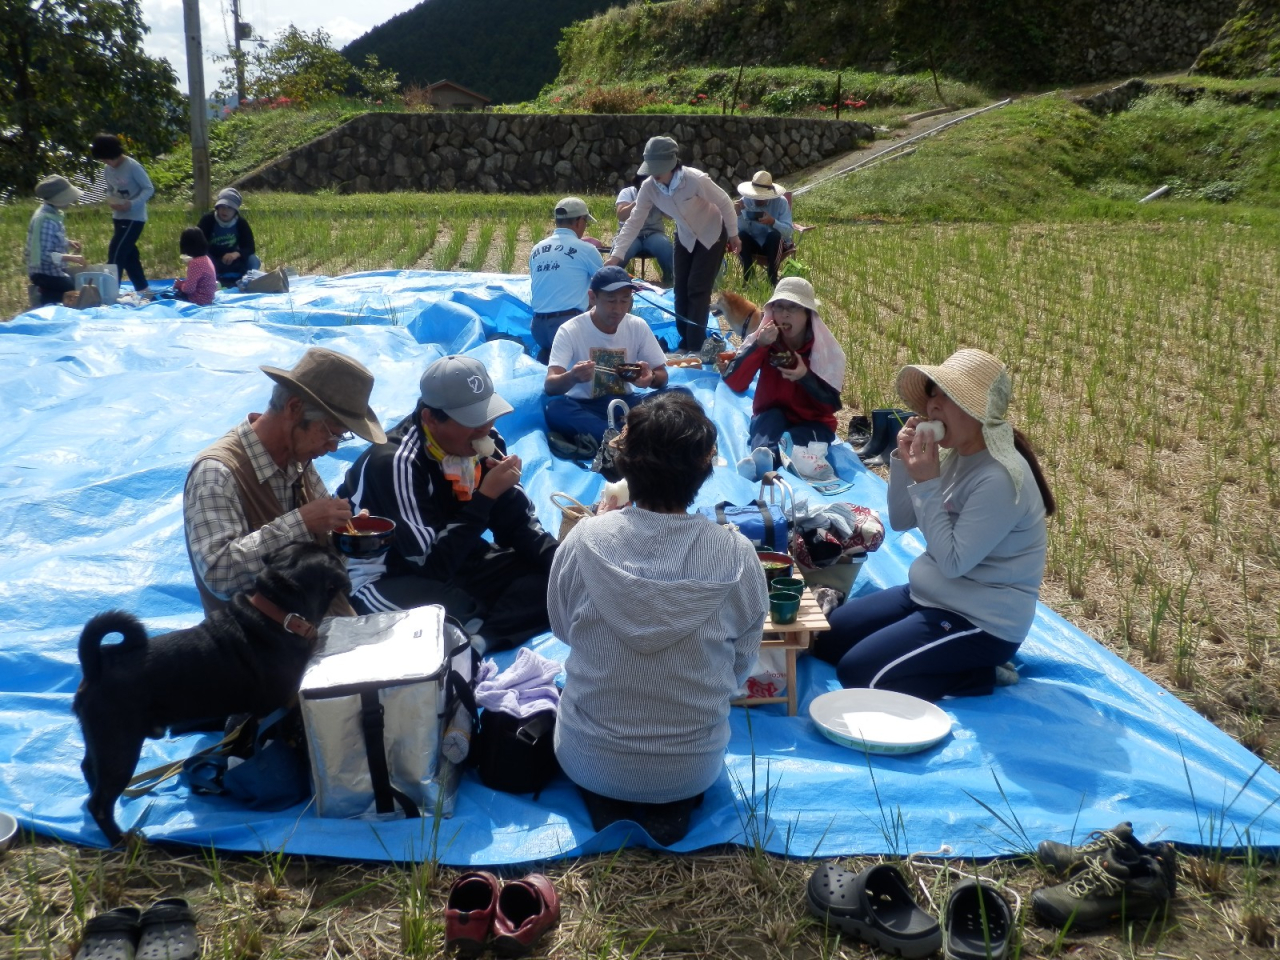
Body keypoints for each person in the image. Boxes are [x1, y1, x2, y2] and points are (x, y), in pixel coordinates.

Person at [551, 391, 767, 844]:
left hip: (589, 755)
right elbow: (743, 660)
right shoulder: (736, 553)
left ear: (624, 464)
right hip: (691, 766)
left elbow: (562, 628)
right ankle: (669, 801)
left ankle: (608, 792)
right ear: (705, 468)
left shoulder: (584, 539)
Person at [812, 348, 1056, 700]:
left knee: (861, 674)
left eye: (949, 396)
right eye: (933, 394)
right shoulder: (954, 453)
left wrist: (927, 483)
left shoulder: (1000, 477)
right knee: (826, 638)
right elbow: (902, 519)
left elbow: (955, 563)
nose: (934, 406)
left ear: (979, 412)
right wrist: (902, 460)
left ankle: (979, 673)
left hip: (979, 620)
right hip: (927, 595)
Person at [337, 355, 558, 653]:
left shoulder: (486, 439)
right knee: (445, 617)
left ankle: (481, 639)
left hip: (457, 556)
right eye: (472, 421)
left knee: (555, 583)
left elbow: (518, 527)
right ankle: (477, 631)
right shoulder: (395, 463)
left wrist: (567, 564)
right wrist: (485, 498)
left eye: (488, 415)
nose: (485, 428)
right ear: (431, 418)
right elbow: (427, 565)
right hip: (388, 573)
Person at [184, 347, 385, 617]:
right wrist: (301, 523)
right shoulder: (217, 472)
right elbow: (219, 575)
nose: (334, 448)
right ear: (293, 407)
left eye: (340, 438)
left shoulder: (299, 460)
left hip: (321, 624)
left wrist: (343, 534)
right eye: (331, 434)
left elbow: (323, 556)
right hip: (260, 646)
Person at [604, 136, 740, 353]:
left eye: (658, 168)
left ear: (672, 164)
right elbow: (634, 221)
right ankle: (685, 341)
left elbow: (724, 202)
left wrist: (734, 235)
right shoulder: (649, 187)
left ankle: (694, 345)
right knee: (680, 288)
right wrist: (616, 255)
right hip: (685, 235)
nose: (654, 175)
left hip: (711, 234)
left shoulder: (695, 180)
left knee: (697, 288)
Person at [721, 277, 844, 474]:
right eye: (779, 307)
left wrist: (805, 377)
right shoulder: (766, 341)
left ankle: (768, 462)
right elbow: (736, 383)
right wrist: (758, 347)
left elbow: (832, 405)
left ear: (807, 314)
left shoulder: (823, 350)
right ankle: (765, 459)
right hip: (771, 415)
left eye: (793, 307)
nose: (785, 314)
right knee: (767, 424)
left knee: (797, 439)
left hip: (811, 422)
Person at [544, 266, 671, 450]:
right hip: (586, 406)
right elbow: (550, 385)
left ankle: (619, 437)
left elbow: (662, 376)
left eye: (625, 300)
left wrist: (650, 377)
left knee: (681, 395)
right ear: (592, 297)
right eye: (611, 301)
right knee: (555, 410)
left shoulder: (637, 326)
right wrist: (572, 377)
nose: (618, 309)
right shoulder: (570, 330)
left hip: (628, 405)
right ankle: (629, 438)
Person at [528, 197, 605, 364]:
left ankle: (547, 361)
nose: (585, 227)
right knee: (616, 298)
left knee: (553, 355)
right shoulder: (586, 249)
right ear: (578, 222)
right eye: (585, 222)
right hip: (566, 326)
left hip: (537, 328)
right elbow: (606, 284)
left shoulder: (537, 249)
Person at [90, 133, 156, 299]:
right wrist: (110, 199)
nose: (105, 163)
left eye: (106, 159)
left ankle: (109, 293)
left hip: (134, 217)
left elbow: (149, 188)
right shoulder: (107, 169)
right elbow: (109, 188)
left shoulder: (132, 166)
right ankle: (144, 290)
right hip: (118, 216)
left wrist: (132, 204)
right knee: (129, 255)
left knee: (116, 252)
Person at [26, 175, 86, 306]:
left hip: (52, 270)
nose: (70, 202)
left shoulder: (52, 214)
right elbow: (44, 255)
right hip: (43, 272)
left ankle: (46, 293)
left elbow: (52, 239)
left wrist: (67, 242)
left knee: (71, 285)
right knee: (70, 290)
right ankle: (43, 296)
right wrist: (69, 258)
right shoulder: (46, 221)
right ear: (57, 199)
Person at [735, 170, 793, 286]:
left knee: (774, 235)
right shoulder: (745, 201)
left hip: (774, 245)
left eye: (761, 196)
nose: (757, 199)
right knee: (740, 236)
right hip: (754, 243)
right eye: (756, 196)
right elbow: (742, 231)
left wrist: (773, 222)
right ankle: (749, 279)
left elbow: (788, 232)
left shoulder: (781, 202)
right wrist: (739, 215)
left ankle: (772, 279)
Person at [614, 173, 673, 285]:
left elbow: (670, 217)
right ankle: (613, 277)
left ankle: (671, 279)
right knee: (623, 249)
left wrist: (660, 201)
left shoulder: (660, 193)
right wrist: (639, 201)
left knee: (665, 246)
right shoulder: (627, 192)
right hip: (631, 234)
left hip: (654, 233)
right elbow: (621, 215)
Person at [197, 188, 260, 286]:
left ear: (235, 210)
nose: (225, 211)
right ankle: (209, 279)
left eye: (229, 208)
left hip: (234, 260)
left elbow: (250, 248)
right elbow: (197, 245)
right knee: (200, 259)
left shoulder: (241, 223)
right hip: (213, 259)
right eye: (222, 206)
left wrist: (236, 254)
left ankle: (247, 281)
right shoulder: (207, 220)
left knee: (254, 260)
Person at [172, 227, 217, 306]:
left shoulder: (195, 263)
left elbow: (189, 289)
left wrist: (180, 285)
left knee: (170, 299)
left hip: (198, 300)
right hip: (209, 297)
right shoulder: (206, 258)